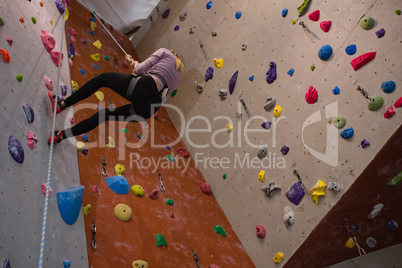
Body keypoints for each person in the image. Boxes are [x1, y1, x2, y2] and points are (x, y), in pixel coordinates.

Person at [47, 48, 184, 144]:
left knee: (102, 79)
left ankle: (61, 105)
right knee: (104, 115)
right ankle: (60, 136)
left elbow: (139, 70)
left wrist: (134, 63)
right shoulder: (178, 78)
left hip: (144, 87)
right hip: (149, 109)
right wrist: (134, 66)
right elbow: (154, 84)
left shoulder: (165, 52)